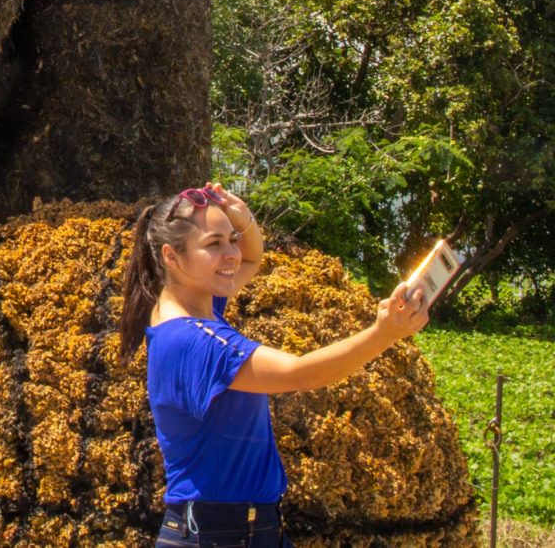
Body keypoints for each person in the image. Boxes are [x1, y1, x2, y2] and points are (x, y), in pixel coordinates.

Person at [118, 183, 430, 547]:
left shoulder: (194, 301)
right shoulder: (194, 340)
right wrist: (383, 334)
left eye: (231, 239)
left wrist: (241, 216)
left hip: (243, 529)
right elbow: (299, 373)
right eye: (214, 244)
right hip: (218, 535)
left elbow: (251, 258)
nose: (231, 253)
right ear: (171, 256)